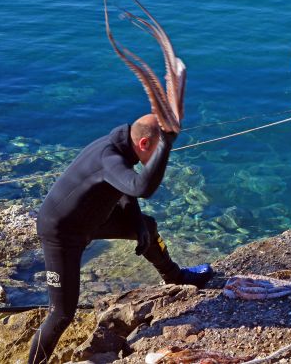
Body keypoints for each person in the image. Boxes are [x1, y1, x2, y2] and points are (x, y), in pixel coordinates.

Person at [28, 114, 213, 364]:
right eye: (159, 153)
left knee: (148, 226)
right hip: (61, 234)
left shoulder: (122, 148)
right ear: (145, 143)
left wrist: (137, 226)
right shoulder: (109, 157)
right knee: (61, 314)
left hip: (92, 220)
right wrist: (166, 144)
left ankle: (175, 277)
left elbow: (124, 189)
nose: (159, 162)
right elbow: (141, 188)